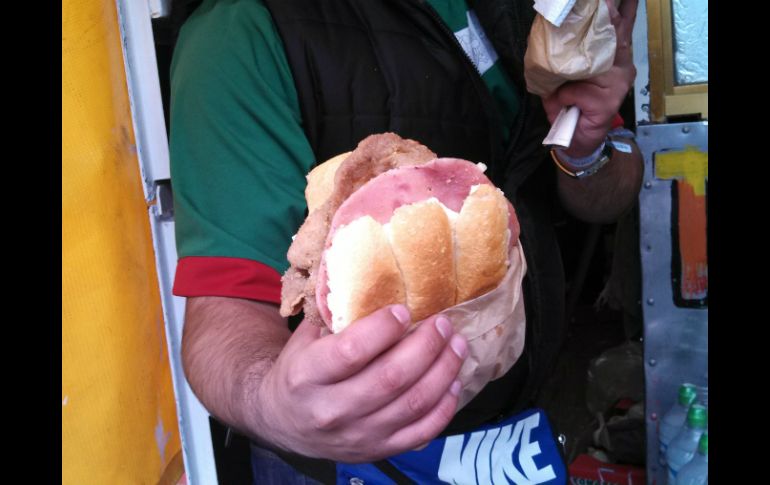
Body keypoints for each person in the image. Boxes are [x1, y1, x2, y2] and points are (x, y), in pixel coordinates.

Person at [169, 0, 643, 482]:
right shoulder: (242, 32)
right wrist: (272, 404)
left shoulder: (533, 14)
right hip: (350, 465)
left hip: (517, 438)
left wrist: (586, 148)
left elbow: (609, 198)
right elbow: (223, 308)